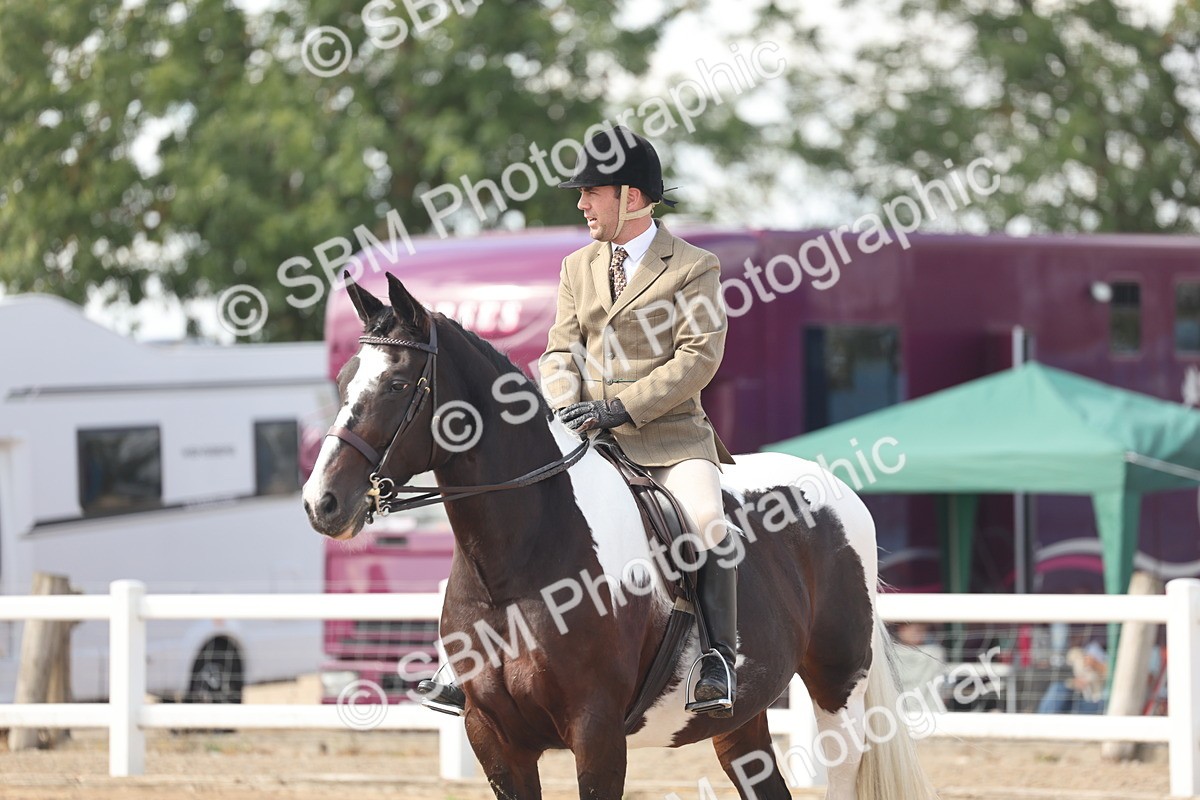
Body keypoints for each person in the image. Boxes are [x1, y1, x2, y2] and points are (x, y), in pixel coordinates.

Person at [417, 126, 739, 718]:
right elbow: (559, 349)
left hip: (668, 440)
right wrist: (566, 403)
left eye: (593, 192)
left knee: (708, 522)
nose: (582, 203)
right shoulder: (576, 267)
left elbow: (698, 358)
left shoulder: (694, 267)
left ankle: (717, 656)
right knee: (505, 513)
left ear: (633, 198)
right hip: (585, 438)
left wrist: (620, 407)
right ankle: (464, 656)